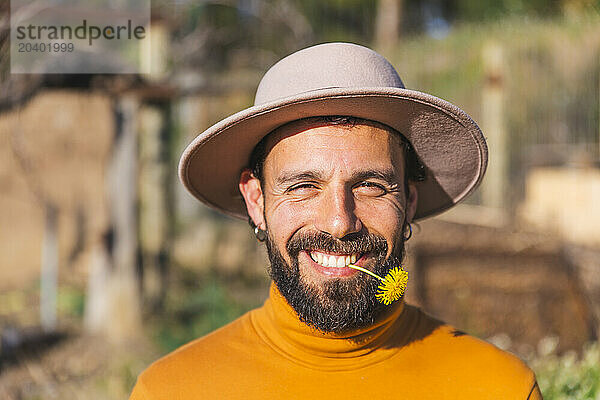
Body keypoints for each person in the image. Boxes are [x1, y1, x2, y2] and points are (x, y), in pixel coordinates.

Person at [130, 42, 541, 399]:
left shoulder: (497, 387)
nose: (339, 223)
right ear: (256, 200)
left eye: (370, 186)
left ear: (410, 202)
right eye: (303, 186)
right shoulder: (172, 390)